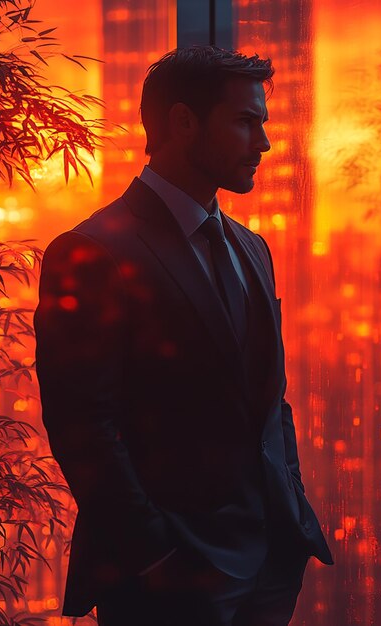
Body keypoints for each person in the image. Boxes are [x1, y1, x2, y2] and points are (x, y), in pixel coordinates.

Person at [34, 45, 333, 626]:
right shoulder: (93, 252)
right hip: (169, 579)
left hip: (269, 564)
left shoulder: (252, 247)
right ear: (182, 122)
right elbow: (83, 428)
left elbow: (268, 399)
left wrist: (290, 513)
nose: (264, 143)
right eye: (246, 122)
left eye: (263, 124)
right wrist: (156, 556)